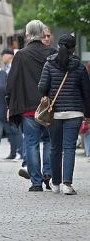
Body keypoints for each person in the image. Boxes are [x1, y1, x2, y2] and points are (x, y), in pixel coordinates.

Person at [38, 33, 90, 195]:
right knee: (69, 149)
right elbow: (86, 92)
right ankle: (67, 185)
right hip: (74, 113)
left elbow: (42, 88)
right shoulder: (79, 66)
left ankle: (55, 184)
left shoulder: (49, 64)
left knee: (55, 148)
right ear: (74, 48)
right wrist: (87, 114)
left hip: (54, 113)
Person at [6, 20, 55, 191]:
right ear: (42, 34)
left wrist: (9, 104)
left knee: (32, 143)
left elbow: (11, 82)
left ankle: (36, 182)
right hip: (49, 107)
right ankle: (48, 172)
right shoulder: (52, 53)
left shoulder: (21, 55)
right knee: (49, 140)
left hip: (28, 109)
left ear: (27, 34)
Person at [1, 47, 24, 162]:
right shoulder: (4, 69)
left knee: (16, 128)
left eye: (3, 55)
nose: (2, 57)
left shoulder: (16, 68)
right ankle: (13, 151)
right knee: (9, 130)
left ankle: (21, 151)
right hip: (5, 101)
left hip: (15, 102)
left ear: (9, 55)